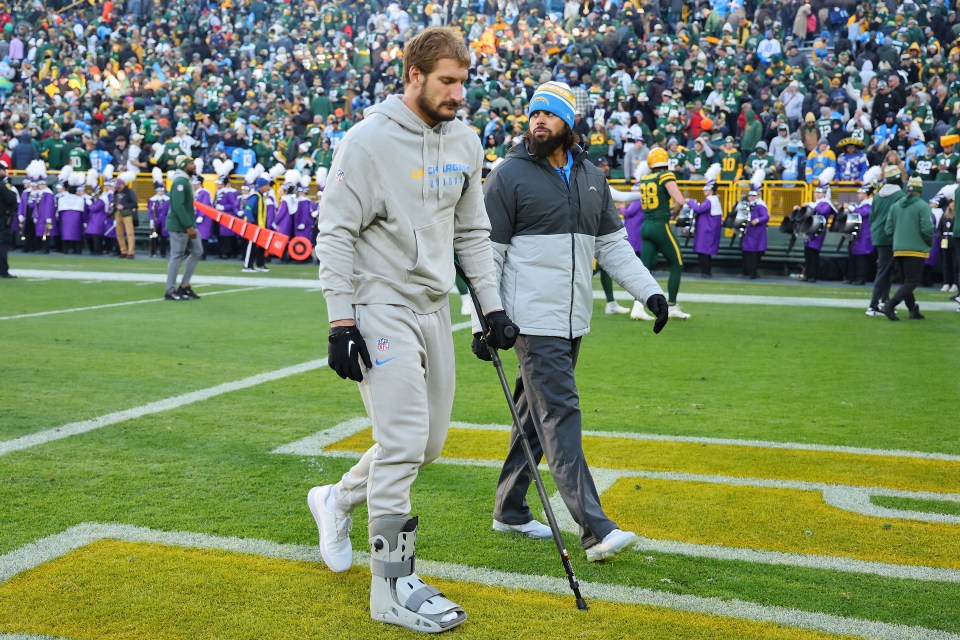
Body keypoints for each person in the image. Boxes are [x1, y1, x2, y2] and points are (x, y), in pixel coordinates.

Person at [309, 27, 517, 634]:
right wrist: (340, 319)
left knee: (426, 446)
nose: (459, 93)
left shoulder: (467, 141)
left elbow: (472, 232)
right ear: (414, 75)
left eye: (463, 81)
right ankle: (392, 585)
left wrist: (492, 309)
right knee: (401, 444)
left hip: (433, 305)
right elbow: (336, 234)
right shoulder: (367, 141)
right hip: (378, 303)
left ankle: (337, 499)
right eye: (448, 81)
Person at [479, 81, 669, 564]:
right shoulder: (507, 176)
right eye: (533, 113)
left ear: (569, 124)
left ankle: (510, 508)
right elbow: (488, 255)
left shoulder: (592, 177)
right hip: (530, 322)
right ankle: (595, 528)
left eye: (549, 114)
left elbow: (613, 246)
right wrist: (487, 317)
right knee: (560, 415)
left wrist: (649, 292)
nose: (537, 121)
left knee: (532, 413)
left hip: (572, 321)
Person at [634, 146, 692, 319]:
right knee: (677, 264)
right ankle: (672, 306)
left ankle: (638, 305)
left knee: (644, 269)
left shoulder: (645, 178)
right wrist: (675, 211)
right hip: (660, 225)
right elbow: (680, 200)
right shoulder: (665, 175)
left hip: (646, 225)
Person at [881, 175, 933, 321]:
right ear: (920, 190)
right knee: (912, 281)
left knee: (907, 281)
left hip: (898, 249)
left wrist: (897, 240)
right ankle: (890, 305)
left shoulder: (895, 206)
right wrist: (928, 243)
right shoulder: (922, 206)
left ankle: (913, 310)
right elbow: (927, 229)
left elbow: (888, 229)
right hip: (916, 249)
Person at [164, 156, 203, 301]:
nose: (194, 166)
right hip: (179, 226)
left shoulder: (185, 181)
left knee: (198, 251)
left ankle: (184, 286)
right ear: (184, 166)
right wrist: (188, 226)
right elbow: (178, 206)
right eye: (191, 164)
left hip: (188, 224)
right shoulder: (179, 182)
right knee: (176, 257)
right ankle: (170, 290)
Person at [866, 165, 904, 316]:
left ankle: (884, 301)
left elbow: (872, 217)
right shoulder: (899, 196)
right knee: (883, 271)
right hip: (890, 237)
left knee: (886, 270)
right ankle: (873, 305)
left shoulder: (877, 195)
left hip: (878, 236)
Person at [686, 163, 723, 277]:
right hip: (708, 230)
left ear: (711, 190)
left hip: (707, 231)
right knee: (705, 253)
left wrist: (690, 201)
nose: (704, 190)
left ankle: (706, 272)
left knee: (704, 253)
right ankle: (705, 271)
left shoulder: (710, 200)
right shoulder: (713, 199)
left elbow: (699, 209)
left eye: (706, 189)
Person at [242, 176, 271, 272]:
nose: (268, 187)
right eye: (267, 185)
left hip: (261, 225)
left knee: (261, 245)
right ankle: (247, 266)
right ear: (262, 186)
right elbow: (248, 209)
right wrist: (251, 221)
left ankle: (260, 264)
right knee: (252, 245)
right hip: (254, 225)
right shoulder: (255, 196)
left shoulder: (262, 196)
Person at [112, 171, 138, 259]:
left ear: (123, 184)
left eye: (119, 186)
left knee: (129, 233)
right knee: (119, 233)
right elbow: (114, 201)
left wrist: (124, 206)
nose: (118, 188)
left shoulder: (129, 192)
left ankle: (131, 252)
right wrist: (114, 205)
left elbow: (134, 203)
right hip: (117, 213)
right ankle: (123, 251)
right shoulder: (116, 192)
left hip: (127, 214)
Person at [0, 160, 18, 278]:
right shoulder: (2, 184)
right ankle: (3, 270)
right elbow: (12, 198)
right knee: (3, 245)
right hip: (2, 219)